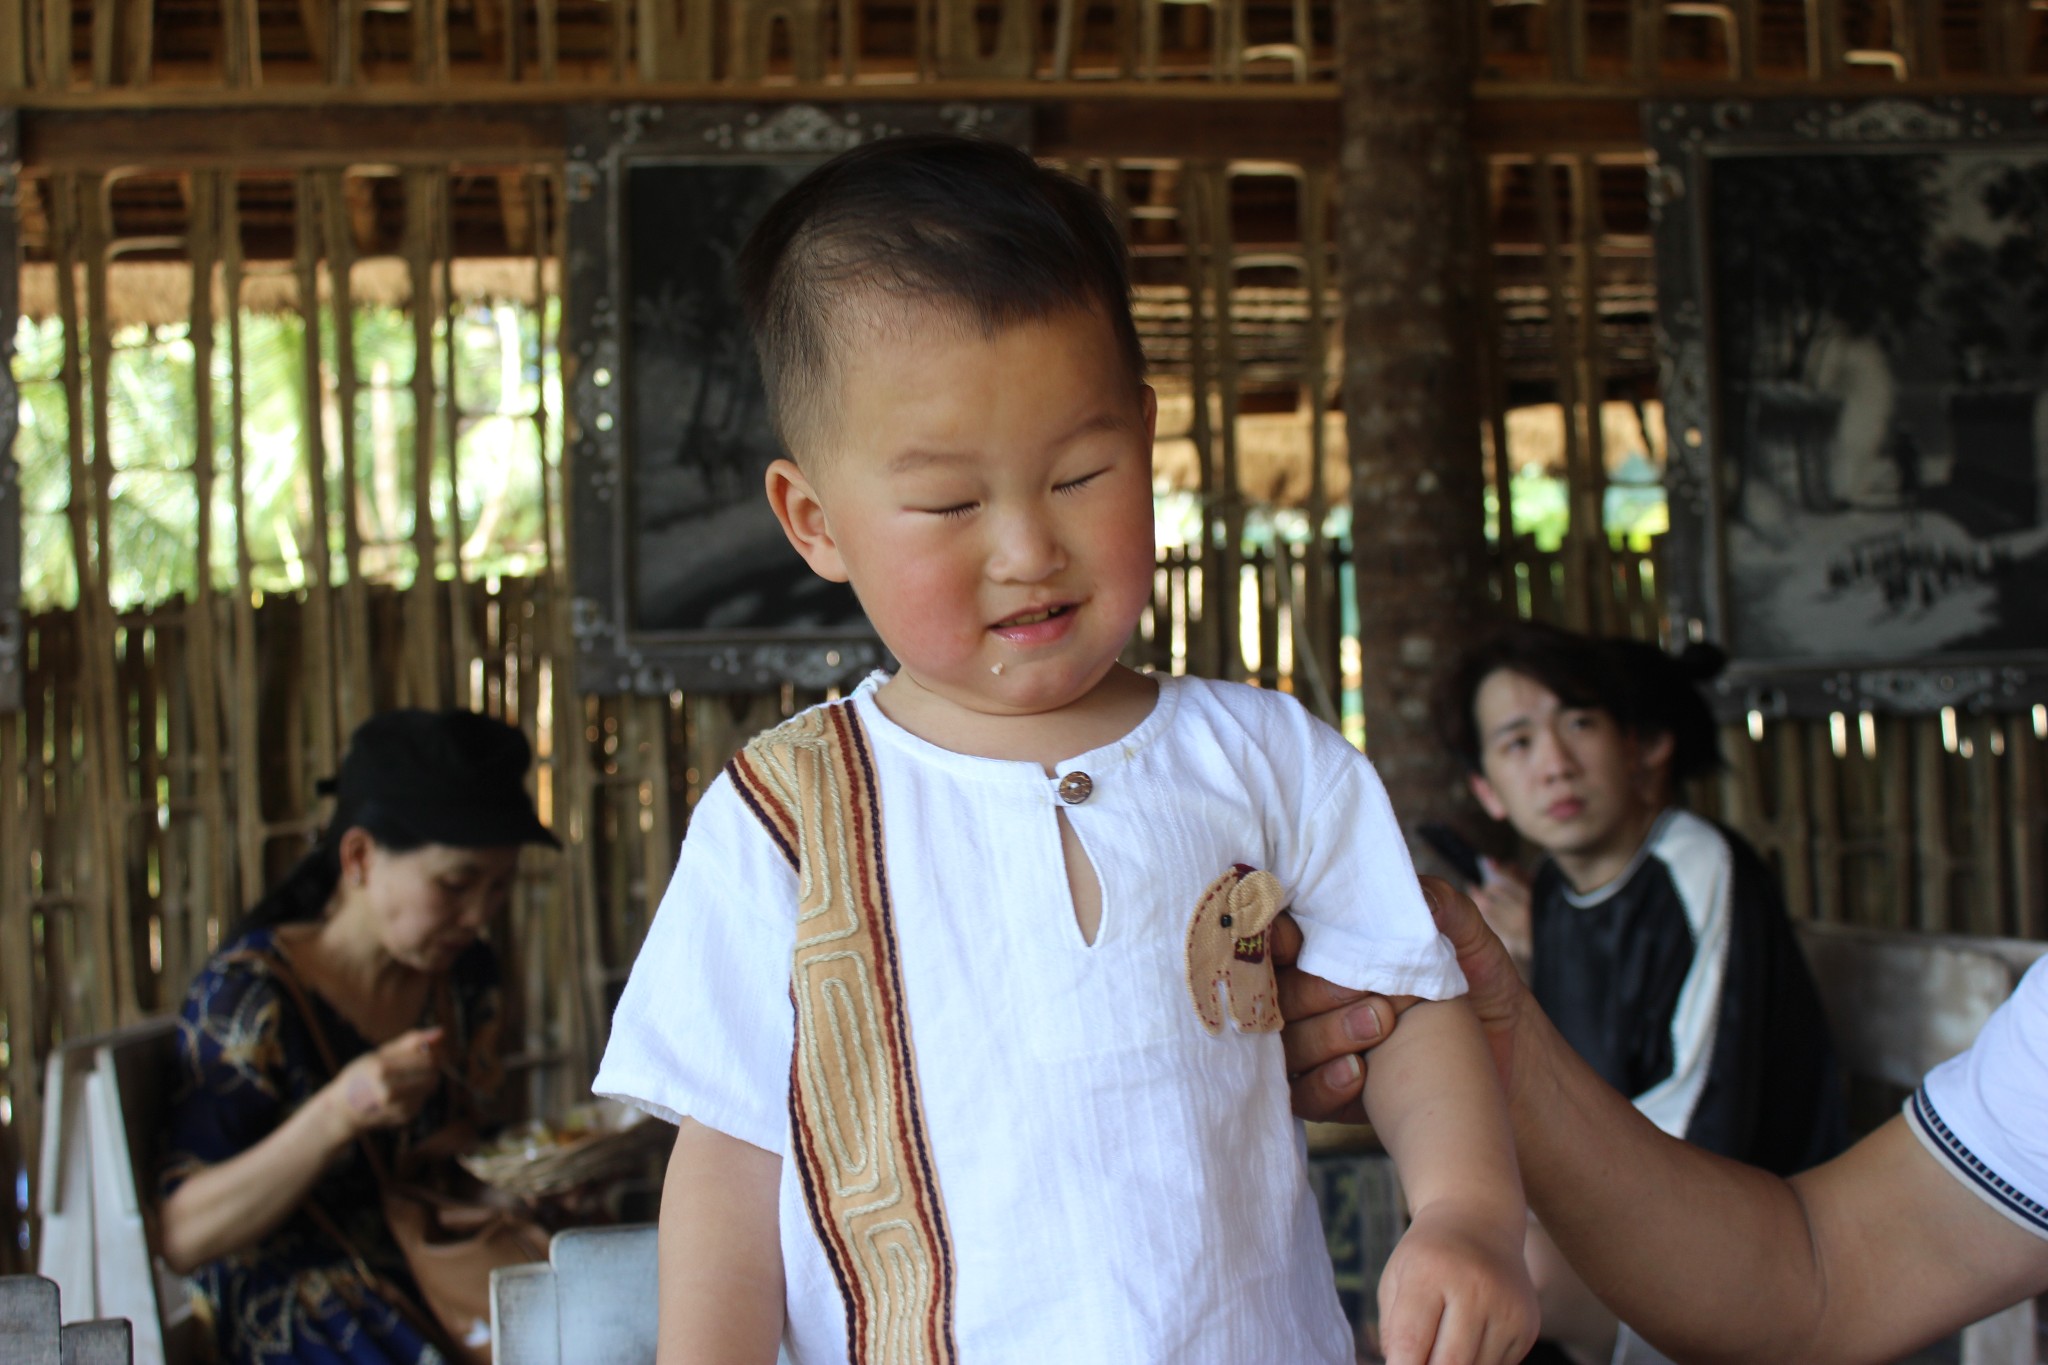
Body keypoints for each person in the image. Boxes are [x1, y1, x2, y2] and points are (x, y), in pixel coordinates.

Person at [592, 135, 1538, 1365]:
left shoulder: (1262, 760)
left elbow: (1401, 1002)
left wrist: (1468, 1213)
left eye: (1080, 473)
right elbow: (730, 1158)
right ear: (815, 522)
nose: (1028, 548)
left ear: (1145, 440)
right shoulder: (786, 817)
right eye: (947, 504)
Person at [1277, 880, 2048, 1365]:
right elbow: (1822, 1275)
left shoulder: (1698, 871)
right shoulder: (1557, 895)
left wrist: (1471, 1212)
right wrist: (1504, 1072)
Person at [1429, 622, 1844, 1364]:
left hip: (1750, 1237)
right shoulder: (1554, 891)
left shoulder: (1699, 866)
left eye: (1580, 724)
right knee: (1457, 1239)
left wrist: (1549, 1208)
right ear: (1488, 790)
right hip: (1626, 1209)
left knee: (1507, 1272)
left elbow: (1708, 1119)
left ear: (1636, 744)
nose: (1554, 764)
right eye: (1518, 742)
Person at [158, 708, 558, 1365]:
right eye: (455, 883)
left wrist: (520, 1183)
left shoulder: (464, 980)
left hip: (434, 1268)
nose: (478, 913)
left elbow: (454, 1159)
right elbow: (183, 1233)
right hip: (308, 1305)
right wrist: (339, 1111)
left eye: (498, 887)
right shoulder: (249, 1001)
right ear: (359, 856)